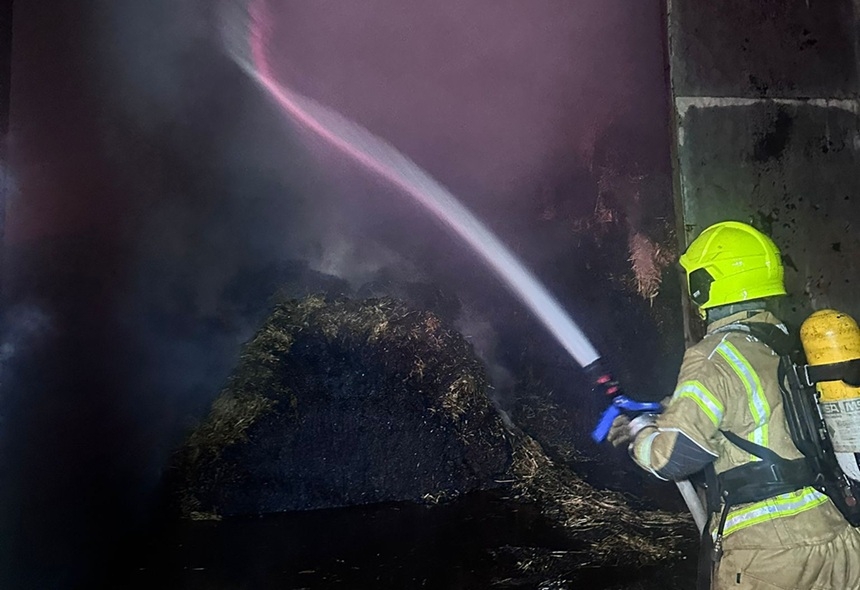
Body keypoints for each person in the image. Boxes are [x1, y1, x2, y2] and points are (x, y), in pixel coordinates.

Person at [609, 221, 860, 590]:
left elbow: (673, 458)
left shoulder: (712, 357)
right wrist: (670, 408)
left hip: (768, 558)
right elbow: (756, 411)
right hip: (837, 539)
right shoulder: (784, 345)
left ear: (703, 285)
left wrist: (640, 432)